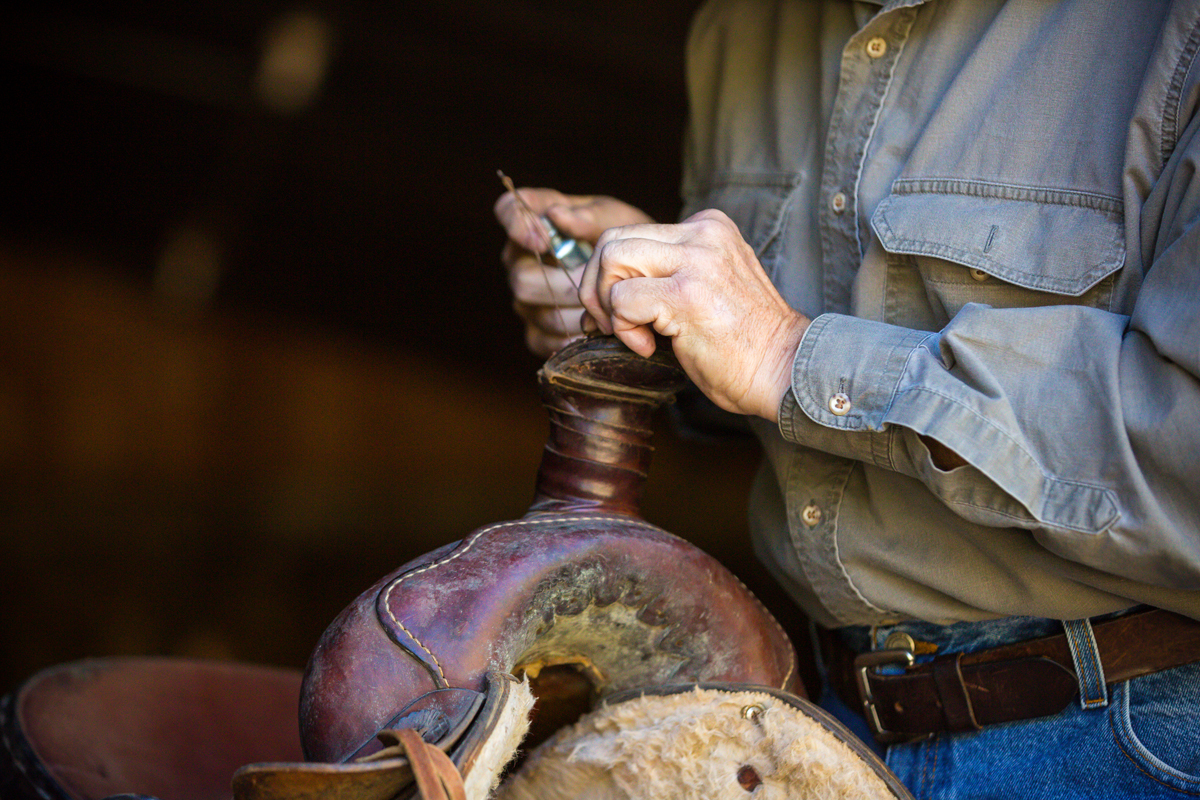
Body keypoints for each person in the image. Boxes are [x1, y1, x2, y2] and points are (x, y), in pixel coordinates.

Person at [494, 1, 1200, 796]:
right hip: (823, 725)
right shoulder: (734, 29)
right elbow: (786, 409)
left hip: (1124, 731)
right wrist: (654, 313)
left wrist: (787, 351)